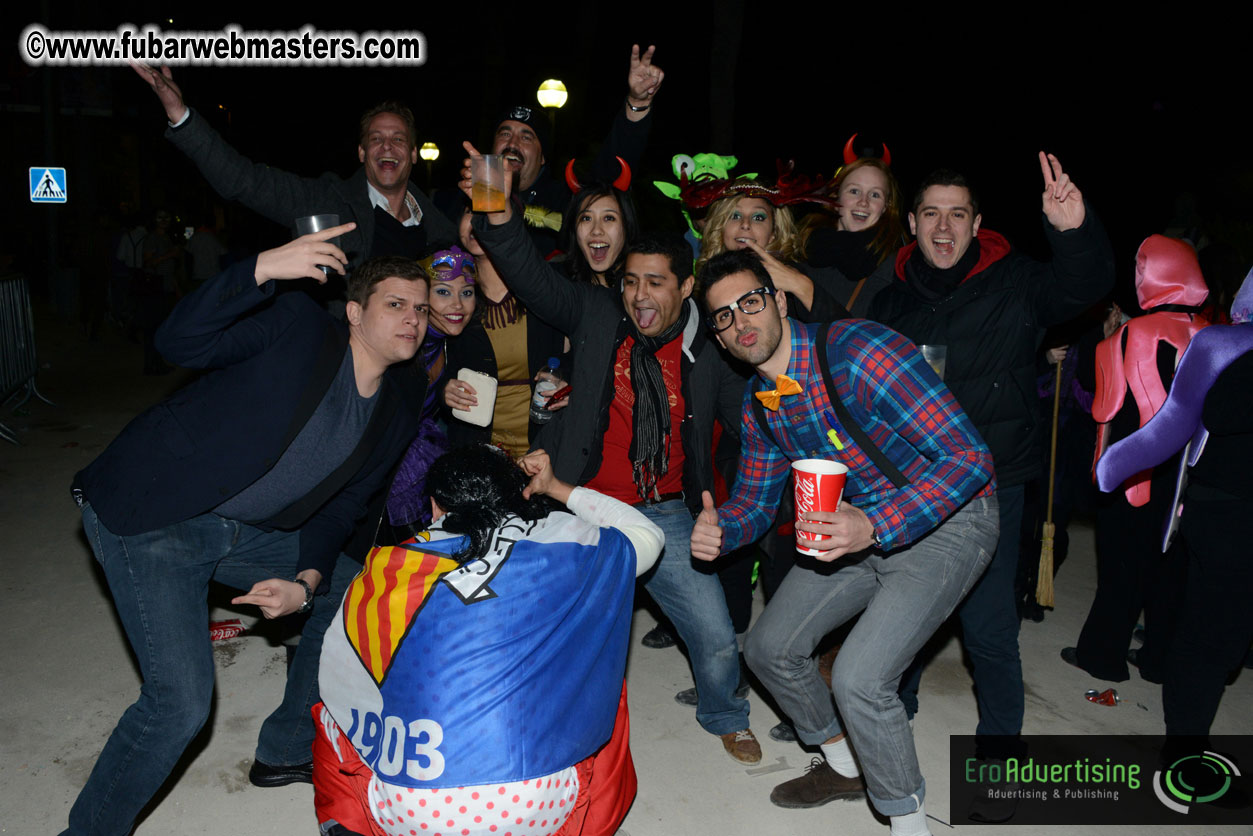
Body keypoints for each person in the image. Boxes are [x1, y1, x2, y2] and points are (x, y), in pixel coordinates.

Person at [61, 225, 431, 836]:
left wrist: (306, 584)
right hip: (156, 516)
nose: (413, 318)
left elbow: (345, 506)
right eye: (396, 304)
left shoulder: (400, 397)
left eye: (420, 309)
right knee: (179, 705)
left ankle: (286, 746)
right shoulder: (299, 329)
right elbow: (178, 339)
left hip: (250, 531)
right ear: (355, 311)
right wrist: (259, 268)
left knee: (356, 591)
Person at [460, 146, 758, 763]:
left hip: (667, 509)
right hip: (582, 502)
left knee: (718, 638)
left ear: (687, 286)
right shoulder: (596, 313)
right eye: (631, 282)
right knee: (544, 627)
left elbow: (751, 425)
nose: (639, 297)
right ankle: (533, 722)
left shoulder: (714, 345)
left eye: (655, 284)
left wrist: (729, 503)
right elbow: (527, 272)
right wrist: (495, 206)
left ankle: (724, 713)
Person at [690, 250, 997, 836]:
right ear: (721, 341)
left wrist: (875, 525)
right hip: (856, 527)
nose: (740, 322)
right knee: (768, 648)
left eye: (749, 302)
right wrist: (721, 529)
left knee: (859, 678)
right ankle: (844, 766)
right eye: (723, 318)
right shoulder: (761, 407)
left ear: (778, 301)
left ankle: (908, 823)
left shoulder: (859, 352)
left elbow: (969, 459)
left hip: (953, 515)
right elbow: (756, 503)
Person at [870, 154, 1114, 773]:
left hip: (991, 484)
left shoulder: (1018, 282)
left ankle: (1001, 747)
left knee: (987, 627)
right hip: (912, 484)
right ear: (914, 225)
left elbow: (1083, 287)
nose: (944, 227)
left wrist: (1074, 230)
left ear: (979, 223)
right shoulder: (891, 296)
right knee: (907, 610)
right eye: (931, 214)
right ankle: (896, 704)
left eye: (958, 214)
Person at [313, 445, 664, 836]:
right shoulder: (569, 542)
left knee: (333, 708)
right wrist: (559, 488)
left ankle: (344, 826)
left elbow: (346, 677)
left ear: (435, 508)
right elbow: (647, 534)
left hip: (407, 811)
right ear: (519, 495)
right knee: (602, 686)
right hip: (535, 805)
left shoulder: (387, 566)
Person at [1095, 271, 1253, 762]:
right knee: (1213, 633)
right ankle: (1186, 747)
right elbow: (1183, 418)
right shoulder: (1224, 344)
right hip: (1227, 511)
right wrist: (1114, 465)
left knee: (1229, 639)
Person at [132, 63, 457, 276]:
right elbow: (244, 181)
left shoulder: (441, 228)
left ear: (413, 154)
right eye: (376, 139)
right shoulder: (327, 201)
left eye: (398, 139)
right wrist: (182, 116)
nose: (387, 146)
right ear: (361, 152)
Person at [1062, 234, 1211, 682]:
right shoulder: (1210, 336)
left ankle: (1102, 655)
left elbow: (1103, 407)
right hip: (1188, 475)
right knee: (1171, 569)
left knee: (1122, 564)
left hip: (1134, 469)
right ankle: (1158, 659)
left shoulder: (1131, 334)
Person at [492, 44, 662, 254]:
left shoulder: (566, 201)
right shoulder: (459, 199)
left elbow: (611, 172)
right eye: (505, 134)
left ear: (543, 156)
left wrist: (638, 103)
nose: (512, 144)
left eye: (526, 137)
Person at [443, 203, 568, 458]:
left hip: (545, 449)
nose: (479, 221)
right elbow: (427, 360)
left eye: (492, 210)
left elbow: (583, 347)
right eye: (470, 210)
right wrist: (443, 390)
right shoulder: (449, 294)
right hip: (478, 454)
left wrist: (567, 379)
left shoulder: (547, 286)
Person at [798, 156, 906, 317]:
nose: (863, 202)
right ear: (835, 196)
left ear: (886, 207)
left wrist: (801, 288)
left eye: (875, 195)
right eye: (854, 191)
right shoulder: (799, 252)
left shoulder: (896, 271)